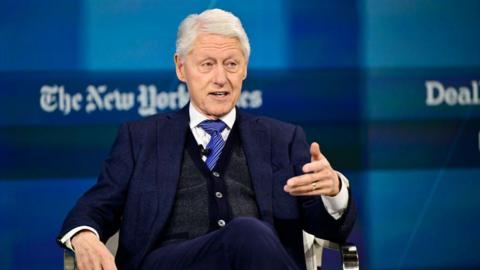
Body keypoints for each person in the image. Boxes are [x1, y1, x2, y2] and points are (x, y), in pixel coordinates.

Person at [58, 8, 356, 270]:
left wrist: (334, 192)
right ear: (180, 67)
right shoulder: (141, 139)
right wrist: (84, 236)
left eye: (231, 64)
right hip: (168, 262)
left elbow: (329, 230)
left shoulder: (283, 138)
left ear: (244, 70)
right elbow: (97, 205)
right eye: (207, 64)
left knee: (250, 235)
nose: (220, 78)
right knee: (246, 233)